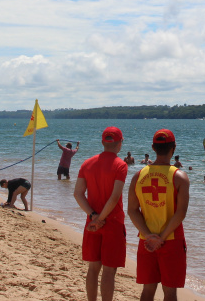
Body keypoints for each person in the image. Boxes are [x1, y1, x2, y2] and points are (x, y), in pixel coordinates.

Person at [128, 129, 190, 301]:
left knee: (147, 291)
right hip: (171, 241)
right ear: (174, 148)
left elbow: (132, 210)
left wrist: (149, 236)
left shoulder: (138, 176)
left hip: (146, 241)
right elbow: (181, 212)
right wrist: (161, 237)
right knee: (170, 293)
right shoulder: (180, 177)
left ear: (153, 148)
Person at [74, 126, 128, 301]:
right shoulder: (120, 165)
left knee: (93, 268)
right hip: (112, 222)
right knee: (109, 270)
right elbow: (114, 198)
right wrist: (101, 219)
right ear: (120, 143)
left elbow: (78, 194)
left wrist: (93, 216)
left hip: (92, 222)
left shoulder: (87, 163)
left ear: (103, 142)